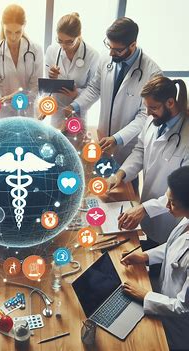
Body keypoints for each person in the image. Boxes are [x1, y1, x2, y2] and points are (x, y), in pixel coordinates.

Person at [67, 17, 161, 165]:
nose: (111, 53)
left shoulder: (152, 73)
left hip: (127, 144)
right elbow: (94, 88)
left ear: (133, 45)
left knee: (126, 183)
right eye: (109, 46)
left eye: (117, 50)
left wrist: (117, 138)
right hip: (104, 137)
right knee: (101, 178)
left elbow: (145, 115)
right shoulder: (106, 60)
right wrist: (75, 106)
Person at [109, 76, 189, 245]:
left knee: (162, 261)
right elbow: (140, 150)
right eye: (147, 107)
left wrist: (145, 208)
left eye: (153, 107)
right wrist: (121, 174)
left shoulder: (187, 136)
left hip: (171, 218)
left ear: (170, 103)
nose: (148, 113)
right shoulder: (153, 121)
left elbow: (183, 191)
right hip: (147, 208)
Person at [121, 166, 189, 351]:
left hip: (179, 329)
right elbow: (174, 246)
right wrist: (145, 256)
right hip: (163, 298)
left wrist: (145, 295)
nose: (167, 207)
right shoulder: (187, 220)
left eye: (173, 203)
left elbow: (183, 307)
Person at [44, 12, 99, 130]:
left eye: (69, 42)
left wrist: (77, 94)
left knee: (75, 146)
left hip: (79, 110)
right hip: (57, 110)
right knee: (55, 144)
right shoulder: (52, 50)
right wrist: (51, 77)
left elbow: (94, 90)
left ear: (79, 35)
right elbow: (46, 87)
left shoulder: (92, 55)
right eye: (60, 40)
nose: (63, 46)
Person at [0, 4, 43, 117]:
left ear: (24, 25)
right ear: (2, 25)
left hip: (29, 111)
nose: (13, 37)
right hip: (6, 113)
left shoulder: (35, 50)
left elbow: (36, 86)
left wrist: (16, 96)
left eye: (17, 32)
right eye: (8, 32)